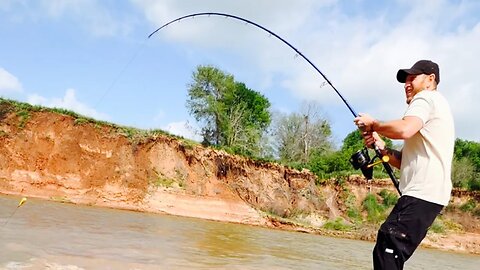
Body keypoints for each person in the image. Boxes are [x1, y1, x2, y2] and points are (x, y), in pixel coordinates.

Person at [353, 60, 455, 270]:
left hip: (423, 193)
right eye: (405, 80)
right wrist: (382, 149)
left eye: (412, 78)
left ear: (430, 79)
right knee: (389, 244)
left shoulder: (425, 98)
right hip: (429, 195)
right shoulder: (437, 105)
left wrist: (375, 124)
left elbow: (405, 129)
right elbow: (403, 162)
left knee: (389, 243)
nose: (407, 84)